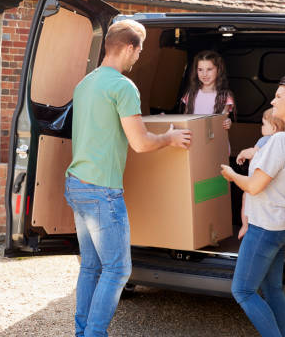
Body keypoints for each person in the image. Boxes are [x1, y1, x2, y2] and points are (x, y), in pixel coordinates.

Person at [64, 19, 191, 337]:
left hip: (77, 184)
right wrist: (170, 137)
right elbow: (141, 142)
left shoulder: (86, 84)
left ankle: (83, 333)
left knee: (92, 267)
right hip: (101, 191)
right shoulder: (123, 87)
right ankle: (93, 334)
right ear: (130, 48)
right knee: (118, 269)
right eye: (140, 50)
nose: (139, 57)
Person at [220, 74, 285, 337]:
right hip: (284, 224)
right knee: (272, 288)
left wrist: (231, 174)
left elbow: (253, 186)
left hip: (265, 226)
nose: (272, 100)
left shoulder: (280, 141)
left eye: (279, 96)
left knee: (242, 290)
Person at [235, 108, 285, 240]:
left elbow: (253, 152)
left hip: (256, 180)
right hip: (272, 184)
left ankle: (245, 226)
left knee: (246, 198)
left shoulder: (266, 139)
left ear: (274, 128)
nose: (261, 128)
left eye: (263, 124)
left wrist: (241, 154)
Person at [182, 50, 235, 130]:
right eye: (200, 70)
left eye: (209, 69)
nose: (204, 74)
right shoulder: (191, 94)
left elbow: (222, 121)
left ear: (218, 70)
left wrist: (228, 122)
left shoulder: (224, 96)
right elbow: (184, 119)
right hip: (194, 139)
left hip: (214, 140)